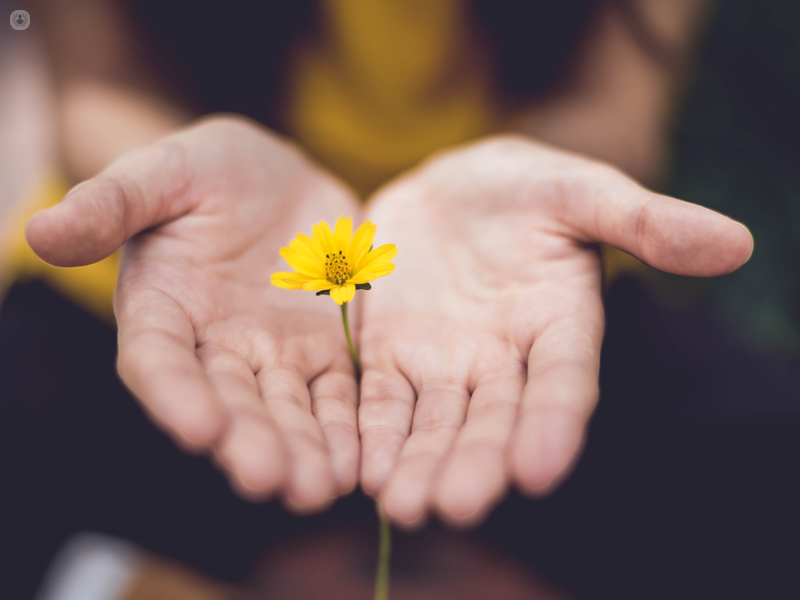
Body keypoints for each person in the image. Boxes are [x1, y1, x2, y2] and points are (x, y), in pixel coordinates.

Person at [8, 0, 755, 527]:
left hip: (513, 280)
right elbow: (98, 83)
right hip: (193, 275)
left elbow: (615, 103)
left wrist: (543, 171)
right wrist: (153, 172)